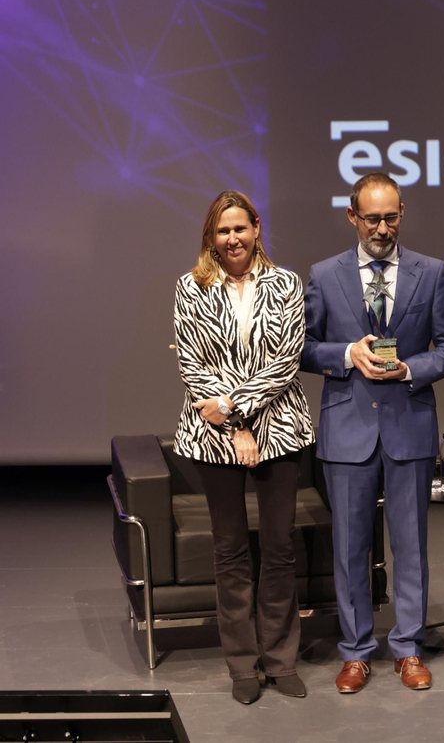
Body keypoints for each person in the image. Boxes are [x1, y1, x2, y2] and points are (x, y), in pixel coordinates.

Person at [301, 172, 444, 695]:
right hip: (348, 427)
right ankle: (356, 651)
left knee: (411, 546)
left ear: (402, 213)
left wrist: (411, 368)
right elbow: (303, 348)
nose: (382, 228)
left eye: (391, 217)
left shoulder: (430, 272)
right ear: (353, 216)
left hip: (408, 424)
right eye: (372, 218)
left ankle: (408, 648)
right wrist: (348, 354)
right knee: (350, 548)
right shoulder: (324, 275)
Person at [172, 190, 314, 706]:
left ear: (256, 228)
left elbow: (286, 360)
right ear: (211, 237)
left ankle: (280, 660)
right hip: (213, 433)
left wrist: (237, 410)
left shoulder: (286, 283)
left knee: (278, 547)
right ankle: (242, 665)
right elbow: (192, 363)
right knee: (230, 549)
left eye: (240, 228)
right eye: (222, 230)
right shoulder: (190, 287)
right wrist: (234, 426)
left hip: (279, 427)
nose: (232, 238)